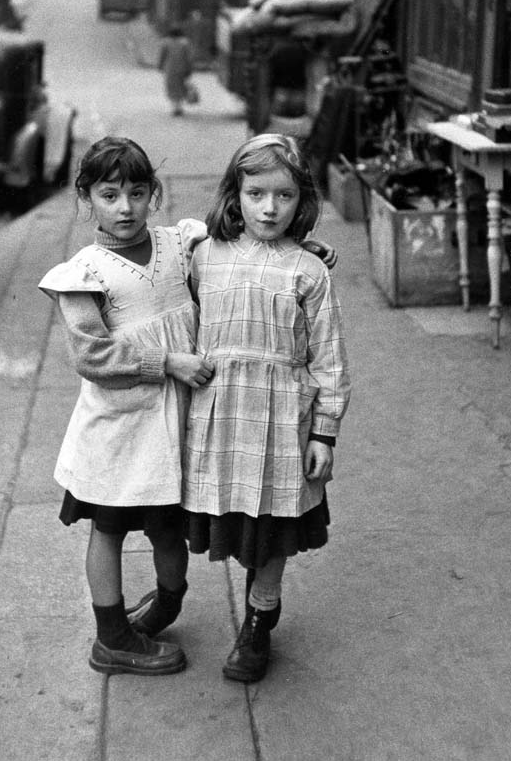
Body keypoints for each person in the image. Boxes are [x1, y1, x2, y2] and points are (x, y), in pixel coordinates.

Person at [38, 136, 214, 677]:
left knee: (169, 525)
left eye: (138, 193)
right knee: (109, 526)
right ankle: (111, 636)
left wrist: (302, 251)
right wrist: (168, 363)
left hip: (174, 423)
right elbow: (93, 353)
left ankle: (166, 603)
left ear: (153, 194)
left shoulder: (178, 246)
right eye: (109, 194)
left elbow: (238, 248)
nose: (125, 207)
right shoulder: (85, 273)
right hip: (119, 426)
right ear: (86, 197)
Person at [182, 133, 351, 683]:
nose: (270, 208)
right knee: (233, 522)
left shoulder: (309, 272)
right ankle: (181, 598)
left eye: (284, 196)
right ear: (236, 195)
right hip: (221, 416)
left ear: (303, 201)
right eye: (256, 193)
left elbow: (330, 357)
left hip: (282, 420)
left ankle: (260, 616)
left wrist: (323, 433)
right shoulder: (203, 256)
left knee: (273, 525)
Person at [158, 23, 193, 116]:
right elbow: (189, 57)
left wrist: (160, 65)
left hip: (170, 68)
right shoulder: (185, 43)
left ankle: (174, 107)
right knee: (180, 87)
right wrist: (189, 68)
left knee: (171, 87)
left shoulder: (165, 42)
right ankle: (179, 107)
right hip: (182, 68)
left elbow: (162, 55)